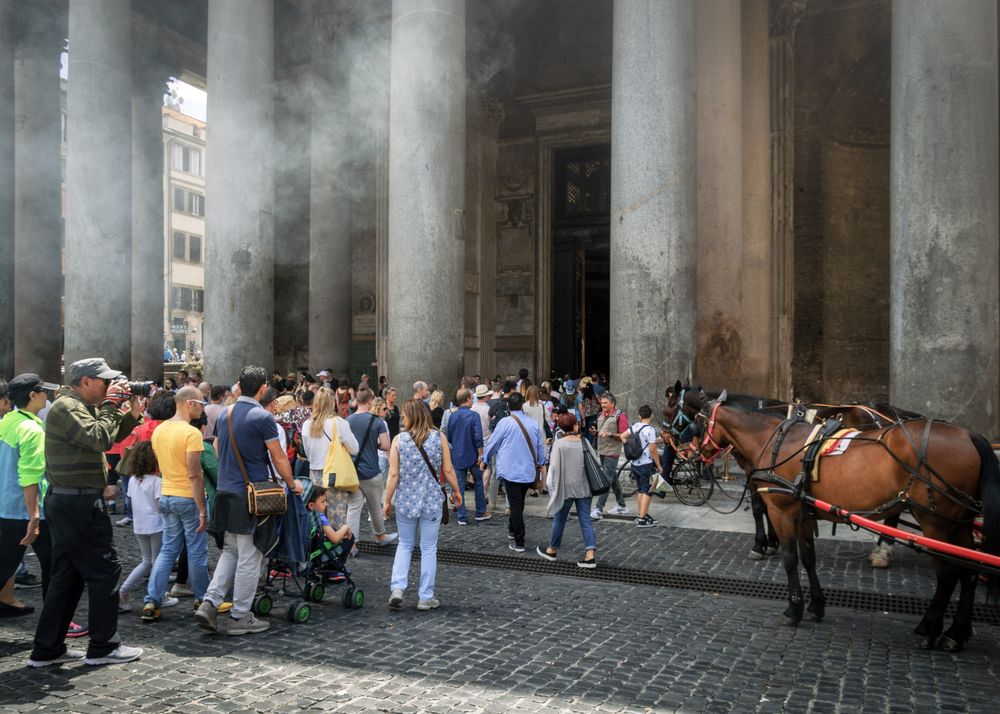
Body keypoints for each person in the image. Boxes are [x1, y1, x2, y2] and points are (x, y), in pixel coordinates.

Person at [28, 358, 144, 667]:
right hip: (77, 503)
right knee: (105, 571)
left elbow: (111, 437)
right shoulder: (68, 407)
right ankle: (103, 646)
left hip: (69, 501)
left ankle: (47, 648)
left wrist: (130, 413)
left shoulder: (77, 405)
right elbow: (98, 438)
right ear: (86, 381)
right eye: (105, 382)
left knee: (67, 577)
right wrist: (110, 406)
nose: (109, 387)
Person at [194, 366, 302, 636]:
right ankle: (240, 616)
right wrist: (292, 484)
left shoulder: (225, 414)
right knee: (250, 555)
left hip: (225, 493)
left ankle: (210, 602)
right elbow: (278, 457)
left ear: (239, 386)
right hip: (251, 495)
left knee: (231, 551)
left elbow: (218, 449)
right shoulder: (263, 417)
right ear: (263, 389)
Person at [383, 399, 463, 611]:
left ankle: (397, 588)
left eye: (405, 416)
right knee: (429, 548)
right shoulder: (439, 438)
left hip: (405, 501)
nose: (402, 419)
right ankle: (425, 596)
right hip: (431, 501)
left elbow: (393, 474)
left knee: (405, 544)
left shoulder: (399, 440)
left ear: (412, 417)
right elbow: (448, 470)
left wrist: (386, 500)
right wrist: (456, 491)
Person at [143, 387, 208, 622]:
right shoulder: (191, 434)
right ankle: (203, 598)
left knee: (168, 549)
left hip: (167, 494)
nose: (203, 408)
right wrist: (202, 508)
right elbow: (195, 474)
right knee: (197, 550)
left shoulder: (159, 430)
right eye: (201, 403)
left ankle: (152, 600)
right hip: (187, 497)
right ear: (189, 403)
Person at [0, 374, 58, 616]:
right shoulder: (31, 429)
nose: (48, 396)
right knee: (54, 566)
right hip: (26, 511)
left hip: (7, 506)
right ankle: (56, 622)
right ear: (33, 395)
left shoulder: (8, 420)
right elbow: (30, 476)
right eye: (44, 391)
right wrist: (34, 516)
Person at [482, 392, 546, 553]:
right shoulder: (532, 424)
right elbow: (539, 447)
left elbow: (493, 442)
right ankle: (512, 529)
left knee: (516, 505)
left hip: (510, 470)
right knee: (519, 502)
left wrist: (485, 458)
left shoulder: (505, 423)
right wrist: (540, 463)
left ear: (509, 406)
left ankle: (519, 540)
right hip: (527, 470)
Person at [536, 412, 597, 568]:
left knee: (560, 519)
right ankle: (590, 555)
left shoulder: (559, 444)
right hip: (584, 487)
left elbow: (554, 468)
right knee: (586, 521)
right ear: (575, 425)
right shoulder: (585, 442)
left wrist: (552, 489)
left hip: (565, 489)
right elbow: (596, 462)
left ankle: (552, 550)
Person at [300, 388, 359, 530]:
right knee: (336, 516)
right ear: (333, 402)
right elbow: (355, 449)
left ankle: (318, 547)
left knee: (317, 515)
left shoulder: (307, 424)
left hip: (315, 474)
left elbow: (307, 453)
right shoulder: (339, 423)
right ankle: (337, 548)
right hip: (335, 474)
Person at [345, 388, 398, 545]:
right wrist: (373, 443)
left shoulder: (348, 420)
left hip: (353, 472)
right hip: (371, 471)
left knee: (353, 508)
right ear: (370, 401)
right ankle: (380, 536)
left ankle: (352, 544)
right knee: (375, 508)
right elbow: (386, 445)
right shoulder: (377, 421)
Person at [116, 442, 162, 613]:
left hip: (139, 525)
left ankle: (123, 590)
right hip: (156, 525)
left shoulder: (134, 481)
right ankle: (158, 595)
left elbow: (131, 500)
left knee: (146, 561)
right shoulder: (157, 482)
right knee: (157, 562)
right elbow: (159, 506)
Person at [445, 388, 488, 525]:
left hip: (458, 454)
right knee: (479, 483)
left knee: (459, 486)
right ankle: (480, 511)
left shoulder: (452, 416)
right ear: (468, 399)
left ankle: (462, 516)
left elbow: (449, 435)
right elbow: (478, 438)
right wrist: (481, 454)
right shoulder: (473, 416)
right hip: (473, 455)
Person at [591, 393, 630, 521]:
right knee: (612, 479)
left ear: (612, 403)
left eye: (605, 403)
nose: (602, 405)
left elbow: (625, 435)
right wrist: (596, 433)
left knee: (606, 480)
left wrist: (610, 434)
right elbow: (601, 433)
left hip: (612, 452)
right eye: (601, 403)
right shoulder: (601, 415)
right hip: (602, 451)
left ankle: (598, 508)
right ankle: (622, 505)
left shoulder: (620, 416)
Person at [630, 405, 664, 528]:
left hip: (635, 463)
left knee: (640, 490)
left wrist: (629, 448)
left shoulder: (634, 427)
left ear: (639, 416)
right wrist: (659, 465)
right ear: (652, 416)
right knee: (648, 491)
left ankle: (642, 514)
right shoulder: (650, 430)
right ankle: (642, 519)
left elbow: (623, 436)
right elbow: (653, 450)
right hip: (646, 463)